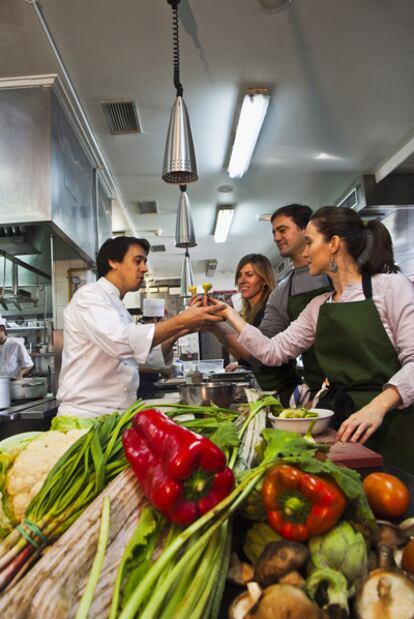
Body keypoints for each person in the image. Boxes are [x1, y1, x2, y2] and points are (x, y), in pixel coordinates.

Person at [210, 206, 414, 473]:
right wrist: (227, 313)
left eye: (309, 241)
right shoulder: (319, 306)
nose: (304, 252)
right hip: (344, 424)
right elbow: (272, 351)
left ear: (334, 244)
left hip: (392, 420)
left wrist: (378, 406)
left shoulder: (390, 287)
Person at [57, 236, 225, 418]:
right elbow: (121, 342)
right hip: (87, 415)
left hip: (116, 414)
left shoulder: (119, 308)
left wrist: (183, 329)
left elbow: (147, 360)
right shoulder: (89, 296)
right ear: (113, 262)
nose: (144, 268)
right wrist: (182, 320)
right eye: (138, 261)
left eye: (144, 262)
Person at [214, 204, 331, 403]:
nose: (276, 237)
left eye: (282, 230)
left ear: (306, 230)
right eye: (274, 232)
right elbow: (265, 349)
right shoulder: (283, 292)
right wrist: (220, 321)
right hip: (322, 393)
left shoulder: (337, 279)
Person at [224, 254, 279, 389]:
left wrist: (219, 322)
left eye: (249, 275)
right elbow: (247, 356)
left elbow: (259, 354)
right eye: (239, 275)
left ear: (264, 280)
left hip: (278, 386)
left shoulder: (270, 309)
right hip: (264, 384)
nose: (242, 280)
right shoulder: (250, 312)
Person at [137, 298, 174, 399]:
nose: (162, 324)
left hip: (150, 383)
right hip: (141, 385)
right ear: (154, 319)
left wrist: (162, 370)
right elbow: (136, 365)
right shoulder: (139, 332)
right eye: (161, 320)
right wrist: (162, 369)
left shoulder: (150, 331)